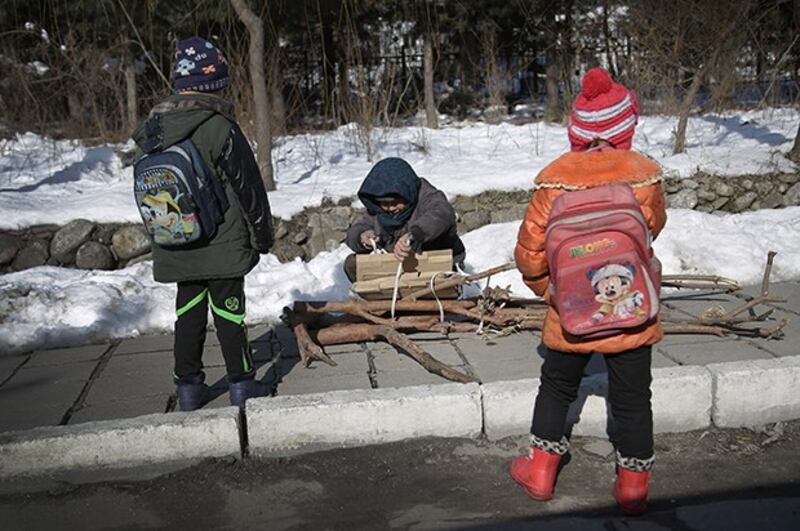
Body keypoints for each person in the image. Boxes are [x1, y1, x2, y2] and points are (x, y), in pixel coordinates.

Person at [510, 67, 667, 515]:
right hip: (634, 311)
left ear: (577, 133)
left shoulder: (553, 180)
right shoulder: (644, 175)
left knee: (557, 387)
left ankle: (540, 472)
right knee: (634, 398)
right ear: (625, 129)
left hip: (571, 314)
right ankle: (633, 487)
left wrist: (555, 293)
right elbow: (652, 228)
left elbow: (530, 255)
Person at [132, 36, 273, 411]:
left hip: (175, 237)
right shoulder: (219, 126)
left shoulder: (155, 127)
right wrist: (263, 236)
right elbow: (248, 187)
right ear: (214, 83)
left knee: (188, 314)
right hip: (222, 241)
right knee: (229, 312)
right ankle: (242, 383)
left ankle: (189, 389)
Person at [343, 157, 465, 281]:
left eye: (394, 202)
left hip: (433, 257)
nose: (390, 208)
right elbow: (358, 228)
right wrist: (362, 237)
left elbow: (441, 213)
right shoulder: (378, 211)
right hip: (400, 265)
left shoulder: (426, 195)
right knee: (353, 263)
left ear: (406, 193)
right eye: (384, 203)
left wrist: (413, 235)